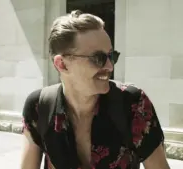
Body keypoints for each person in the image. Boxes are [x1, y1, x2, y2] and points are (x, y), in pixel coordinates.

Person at [21, 10, 170, 169]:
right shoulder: (39, 106)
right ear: (62, 64)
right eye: (98, 58)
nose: (109, 66)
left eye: (111, 56)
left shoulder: (133, 103)